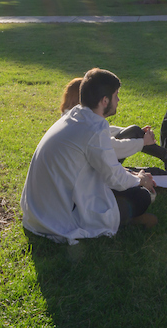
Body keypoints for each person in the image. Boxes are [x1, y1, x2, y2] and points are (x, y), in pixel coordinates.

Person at [22, 68, 158, 244]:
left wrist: (133, 175)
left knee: (128, 186)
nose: (118, 100)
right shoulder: (94, 128)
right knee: (142, 197)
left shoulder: (76, 114)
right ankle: (127, 219)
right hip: (57, 218)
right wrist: (140, 180)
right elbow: (114, 178)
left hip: (36, 211)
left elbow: (106, 160)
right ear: (104, 100)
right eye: (116, 95)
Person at [59, 78, 167, 170]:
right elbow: (108, 145)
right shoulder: (78, 121)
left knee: (135, 133)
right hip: (91, 168)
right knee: (142, 175)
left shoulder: (75, 118)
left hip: (95, 164)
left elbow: (105, 132)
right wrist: (141, 141)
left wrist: (136, 134)